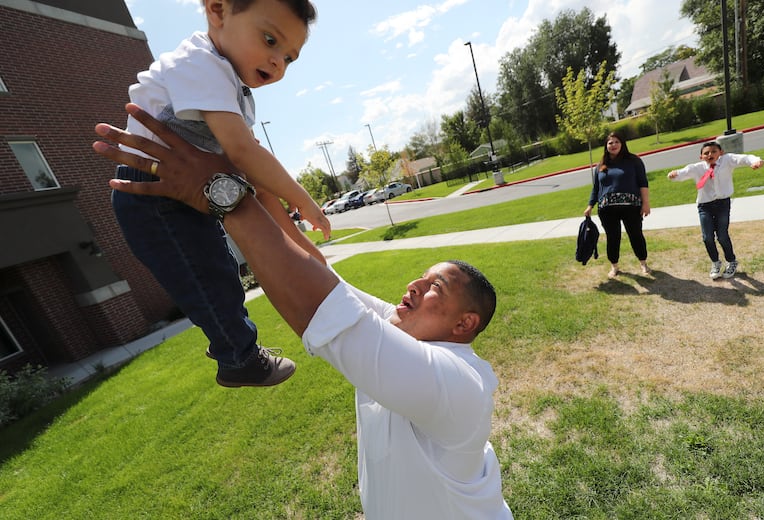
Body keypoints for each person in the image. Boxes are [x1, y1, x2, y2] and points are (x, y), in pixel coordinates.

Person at [93, 104, 514, 519]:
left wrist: (220, 192)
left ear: (465, 324)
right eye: (422, 278)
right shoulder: (406, 333)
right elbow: (319, 275)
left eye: (434, 287)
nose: (414, 285)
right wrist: (253, 182)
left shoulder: (459, 385)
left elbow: (319, 306)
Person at [112, 0, 330, 388]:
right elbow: (244, 153)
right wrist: (306, 201)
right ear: (217, 11)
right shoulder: (200, 63)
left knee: (221, 270)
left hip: (182, 190)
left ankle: (236, 349)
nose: (278, 61)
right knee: (205, 276)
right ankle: (238, 356)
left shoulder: (232, 84)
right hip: (152, 194)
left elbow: (254, 175)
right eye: (269, 39)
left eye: (289, 57)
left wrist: (307, 251)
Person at [667, 141, 764, 279]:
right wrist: (674, 174)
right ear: (701, 157)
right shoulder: (697, 168)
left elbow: (744, 158)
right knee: (707, 238)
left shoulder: (727, 160)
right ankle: (715, 262)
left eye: (713, 151)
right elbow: (683, 172)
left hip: (722, 204)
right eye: (706, 153)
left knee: (722, 235)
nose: (710, 154)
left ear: (721, 152)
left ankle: (731, 261)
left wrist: (756, 161)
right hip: (704, 206)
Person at [583, 132, 651, 278]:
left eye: (616, 142)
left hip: (631, 207)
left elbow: (643, 183)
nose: (613, 145)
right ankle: (614, 266)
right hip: (607, 210)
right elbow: (596, 188)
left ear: (622, 144)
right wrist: (590, 205)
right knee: (613, 237)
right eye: (610, 143)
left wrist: (646, 204)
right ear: (606, 146)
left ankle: (643, 263)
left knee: (636, 235)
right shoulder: (601, 165)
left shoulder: (634, 161)